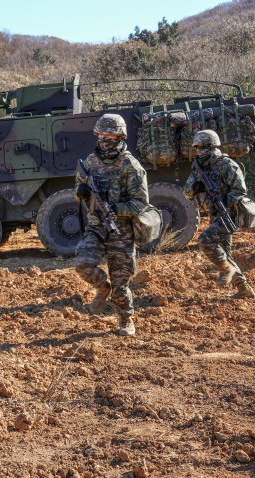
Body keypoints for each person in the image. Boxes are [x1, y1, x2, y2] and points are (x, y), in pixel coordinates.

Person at [74, 113, 149, 337]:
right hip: (96, 226)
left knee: (121, 282)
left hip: (122, 231)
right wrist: (80, 193)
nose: (104, 139)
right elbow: (78, 189)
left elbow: (141, 203)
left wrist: (117, 210)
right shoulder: (90, 162)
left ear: (119, 136)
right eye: (100, 134)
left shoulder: (130, 165)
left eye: (109, 135)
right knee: (83, 263)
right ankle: (101, 288)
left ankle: (126, 320)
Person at [183, 129, 255, 299]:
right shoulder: (198, 167)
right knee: (225, 254)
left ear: (212, 146)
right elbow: (186, 193)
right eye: (197, 147)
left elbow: (240, 190)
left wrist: (224, 200)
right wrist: (194, 188)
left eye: (203, 147)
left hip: (229, 214)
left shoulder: (227, 165)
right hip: (214, 214)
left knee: (205, 241)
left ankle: (226, 270)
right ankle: (244, 289)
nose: (199, 151)